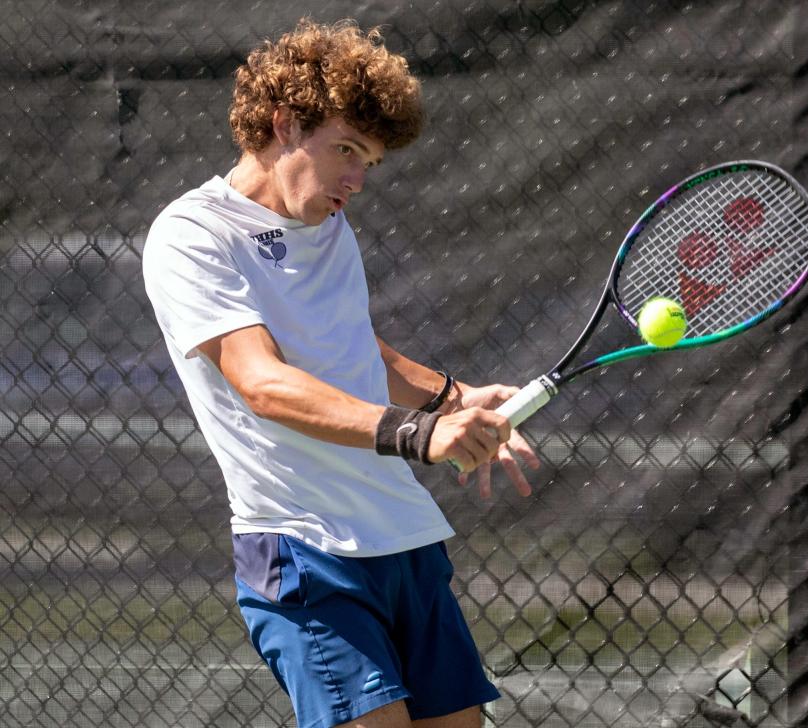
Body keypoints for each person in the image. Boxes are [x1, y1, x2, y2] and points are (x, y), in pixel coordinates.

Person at [142, 18, 539, 728]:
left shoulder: (328, 226)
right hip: (301, 548)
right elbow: (261, 382)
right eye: (345, 151)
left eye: (370, 163)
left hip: (403, 539)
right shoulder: (192, 235)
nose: (355, 180)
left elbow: (353, 345)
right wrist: (423, 435)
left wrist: (449, 397)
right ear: (283, 121)